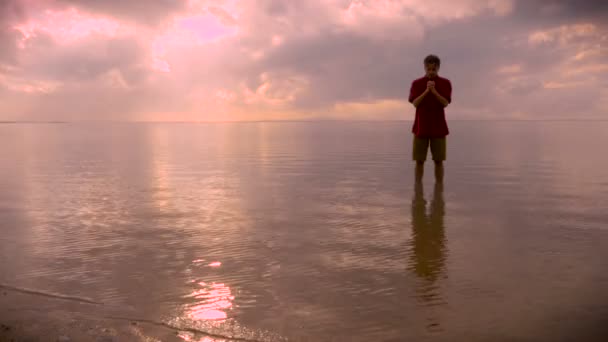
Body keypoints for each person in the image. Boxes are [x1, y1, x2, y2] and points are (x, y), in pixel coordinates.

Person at [408, 54, 452, 183]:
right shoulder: (416, 83)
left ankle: (439, 190)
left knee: (438, 161)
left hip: (439, 128)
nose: (431, 72)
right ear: (425, 68)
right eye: (429, 69)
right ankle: (418, 189)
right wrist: (427, 91)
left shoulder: (445, 83)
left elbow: (445, 103)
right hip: (420, 128)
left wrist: (434, 91)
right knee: (419, 161)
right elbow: (415, 103)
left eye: (434, 69)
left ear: (438, 68)